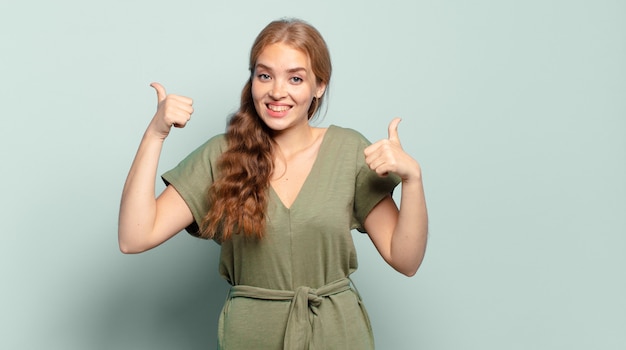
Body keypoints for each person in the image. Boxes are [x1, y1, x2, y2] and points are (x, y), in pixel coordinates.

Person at [118, 18, 428, 349]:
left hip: (337, 335)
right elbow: (134, 237)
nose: (277, 91)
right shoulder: (222, 155)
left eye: (295, 78)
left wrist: (413, 179)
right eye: (265, 75)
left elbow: (405, 260)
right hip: (252, 336)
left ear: (319, 86)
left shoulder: (349, 151)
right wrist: (155, 134)